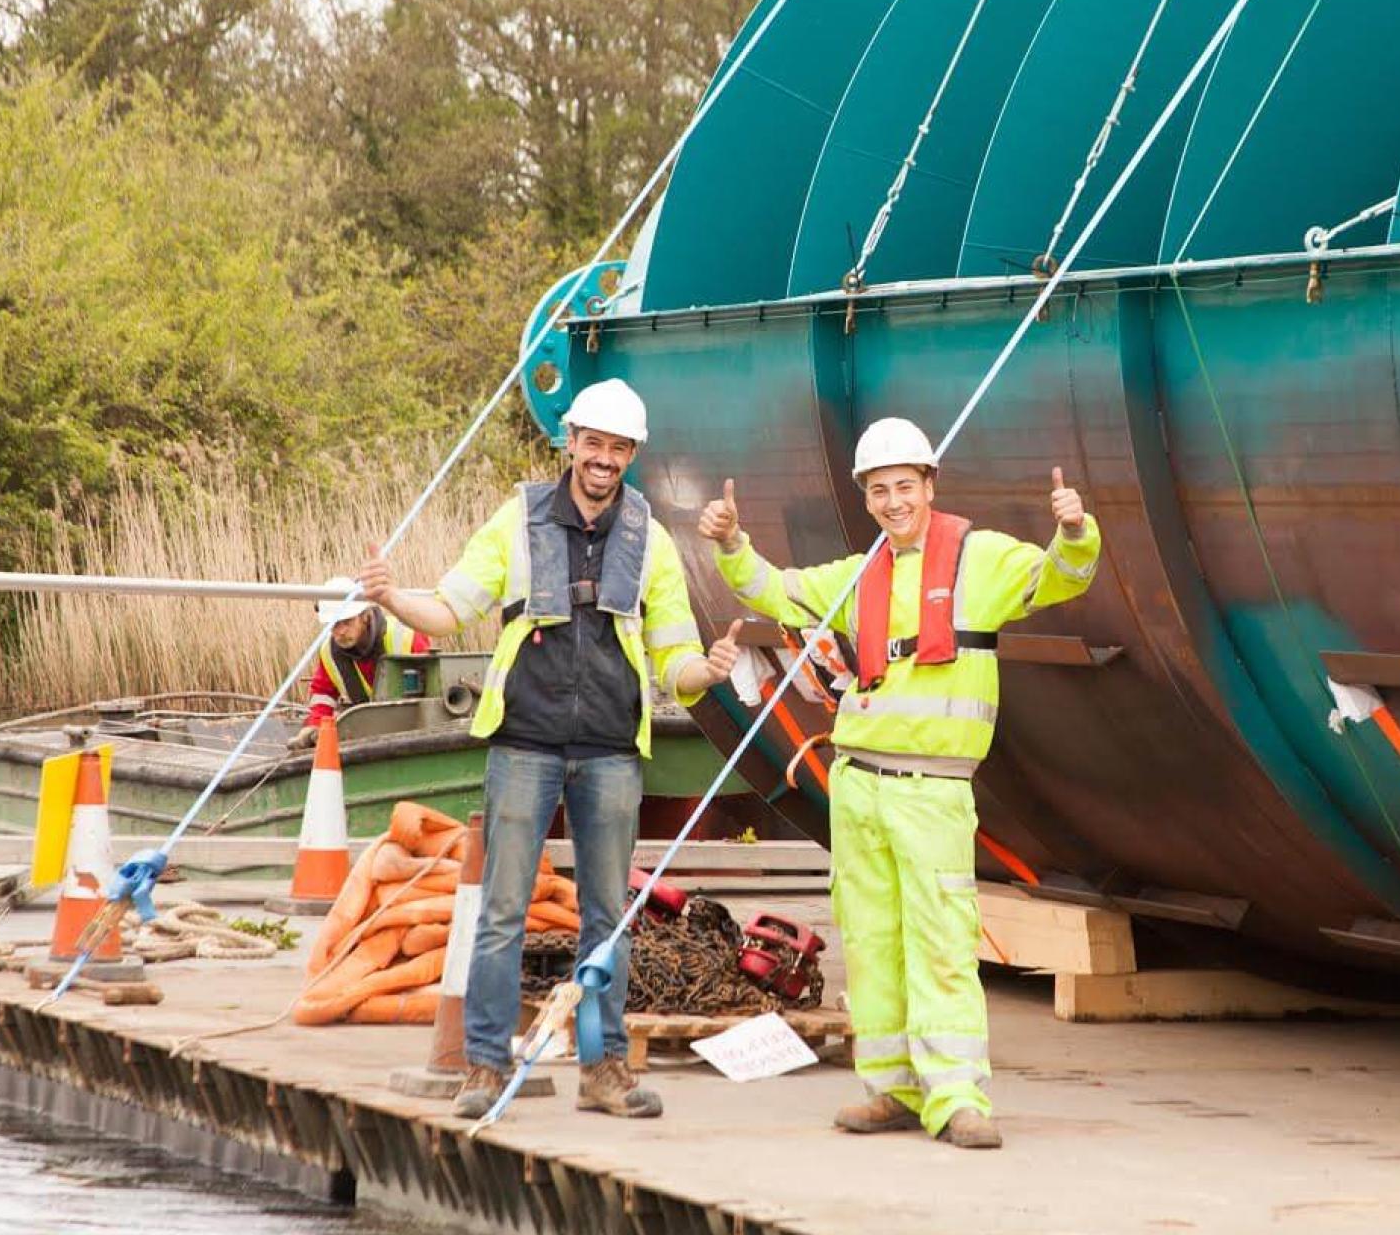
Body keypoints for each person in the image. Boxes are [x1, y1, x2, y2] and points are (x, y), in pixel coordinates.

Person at [697, 416, 1100, 1149]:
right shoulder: (859, 575)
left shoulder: (981, 560)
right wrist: (730, 543)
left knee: (942, 940)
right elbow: (774, 590)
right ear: (867, 497)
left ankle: (957, 1098)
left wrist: (1074, 531)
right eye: (879, 490)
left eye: (904, 486)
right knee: (872, 941)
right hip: (858, 786)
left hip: (933, 791)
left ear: (929, 485)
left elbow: (1059, 577)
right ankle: (890, 1089)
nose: (893, 502)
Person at [358, 378, 742, 1120]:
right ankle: (484, 1066)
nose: (604, 458)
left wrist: (708, 672)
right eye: (593, 443)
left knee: (608, 917)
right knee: (503, 912)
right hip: (524, 743)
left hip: (610, 751)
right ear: (571, 442)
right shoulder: (518, 520)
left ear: (632, 454)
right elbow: (451, 608)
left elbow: (675, 660)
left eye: (619, 448)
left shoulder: (652, 539)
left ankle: (604, 1071)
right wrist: (392, 598)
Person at [290, 578, 431, 750]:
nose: (341, 631)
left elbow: (433, 687)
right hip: (366, 734)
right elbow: (323, 694)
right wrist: (314, 725)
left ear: (365, 616)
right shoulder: (329, 653)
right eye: (334, 624)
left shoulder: (406, 636)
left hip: (414, 730)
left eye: (347, 621)